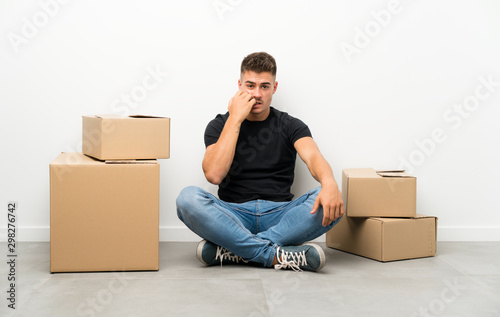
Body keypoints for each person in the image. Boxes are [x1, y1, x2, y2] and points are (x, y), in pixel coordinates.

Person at [176, 52, 344, 272]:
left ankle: (236, 251)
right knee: (187, 199)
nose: (257, 94)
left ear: (274, 88)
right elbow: (214, 175)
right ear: (239, 86)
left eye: (264, 86)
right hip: (233, 216)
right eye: (250, 86)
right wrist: (235, 117)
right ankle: (273, 254)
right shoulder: (219, 125)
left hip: (281, 215)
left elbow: (313, 157)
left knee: (333, 200)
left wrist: (330, 183)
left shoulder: (291, 125)